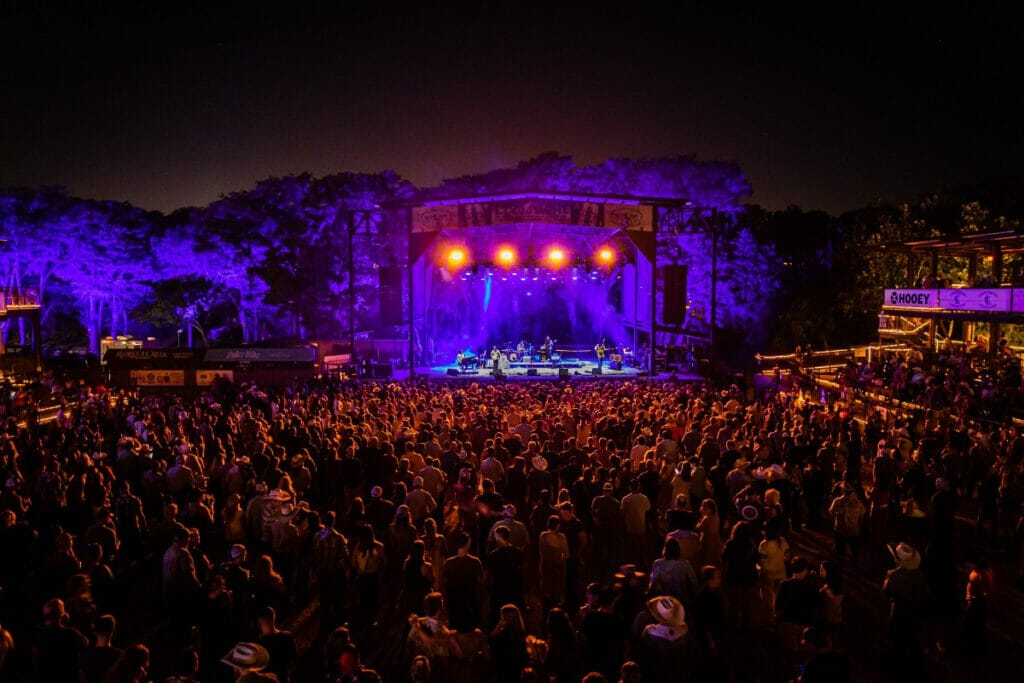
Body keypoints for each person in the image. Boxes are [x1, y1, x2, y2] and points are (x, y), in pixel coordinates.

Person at [638, 596, 690, 683]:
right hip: (679, 675)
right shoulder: (683, 630)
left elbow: (644, 658)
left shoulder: (651, 632)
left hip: (658, 676)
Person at [444, 531, 484, 632]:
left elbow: (445, 582)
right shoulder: (475, 562)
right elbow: (480, 582)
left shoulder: (449, 563)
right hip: (471, 601)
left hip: (454, 601)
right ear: (468, 543)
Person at [488, 604, 528, 683]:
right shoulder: (521, 631)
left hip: (505, 667)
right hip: (516, 667)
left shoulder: (505, 632)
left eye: (503, 616)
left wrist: (498, 628)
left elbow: (490, 640)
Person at [256, 606, 296, 683]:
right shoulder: (287, 637)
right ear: (274, 617)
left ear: (259, 621)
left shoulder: (259, 644)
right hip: (283, 680)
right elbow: (293, 662)